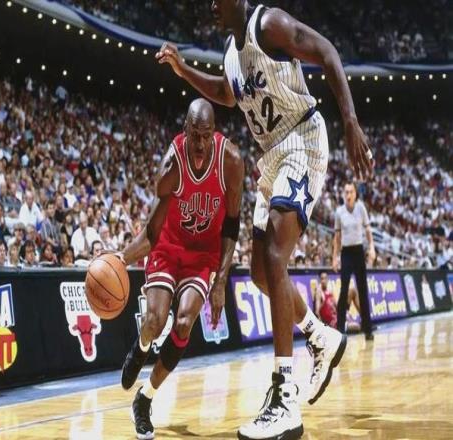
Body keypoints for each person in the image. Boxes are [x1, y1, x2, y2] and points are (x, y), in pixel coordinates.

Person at [156, 2, 373, 438]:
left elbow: (327, 51)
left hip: (302, 139)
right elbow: (227, 93)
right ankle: (319, 336)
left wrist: (350, 120)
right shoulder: (230, 53)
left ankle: (284, 396)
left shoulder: (268, 24)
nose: (212, 6)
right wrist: (183, 71)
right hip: (272, 155)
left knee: (275, 253)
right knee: (259, 272)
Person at [115, 99, 243, 439]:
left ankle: (145, 399)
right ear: (184, 130)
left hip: (203, 256)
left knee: (184, 322)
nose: (200, 144)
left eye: (206, 135)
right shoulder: (173, 165)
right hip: (169, 248)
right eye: (194, 135)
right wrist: (120, 259)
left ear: (214, 132)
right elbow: (151, 232)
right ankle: (141, 346)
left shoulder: (231, 161)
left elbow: (232, 224)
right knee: (154, 321)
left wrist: (221, 281)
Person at [332, 182, 375, 340]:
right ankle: (340, 330)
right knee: (344, 290)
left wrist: (372, 247)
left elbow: (368, 229)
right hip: (346, 253)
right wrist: (334, 257)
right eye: (346, 192)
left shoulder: (361, 208)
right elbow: (337, 237)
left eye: (351, 191)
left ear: (355, 194)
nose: (348, 194)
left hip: (358, 251)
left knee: (362, 290)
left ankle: (367, 329)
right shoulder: (339, 212)